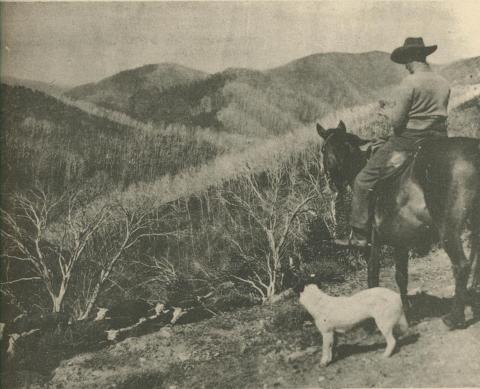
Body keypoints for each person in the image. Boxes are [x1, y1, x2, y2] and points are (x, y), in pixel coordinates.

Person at [335, 37, 451, 248]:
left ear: (411, 58)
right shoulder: (443, 82)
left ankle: (360, 235)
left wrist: (387, 112)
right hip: (439, 139)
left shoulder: (410, 82)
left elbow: (398, 122)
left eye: (406, 61)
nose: (405, 66)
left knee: (362, 180)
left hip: (409, 140)